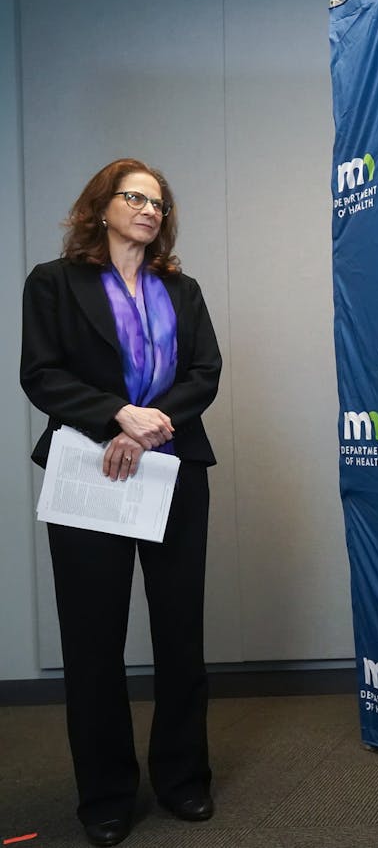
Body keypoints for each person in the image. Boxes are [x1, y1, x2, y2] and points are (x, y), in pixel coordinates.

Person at [20, 158, 222, 846]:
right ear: (101, 206)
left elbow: (205, 372)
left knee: (180, 634)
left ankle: (183, 779)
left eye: (159, 204)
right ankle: (105, 795)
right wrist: (116, 416)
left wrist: (150, 422)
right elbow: (42, 374)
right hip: (89, 471)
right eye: (134, 197)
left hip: (174, 470)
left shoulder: (182, 289)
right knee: (93, 641)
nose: (148, 210)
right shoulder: (53, 283)